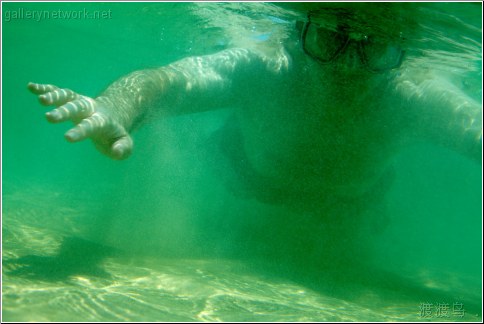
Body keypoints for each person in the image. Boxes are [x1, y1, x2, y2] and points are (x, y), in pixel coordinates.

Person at [27, 3, 481, 245]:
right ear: (299, 34)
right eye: (330, 37)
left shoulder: (413, 96)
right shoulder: (265, 68)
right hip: (247, 179)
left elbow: (474, 130)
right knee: (219, 150)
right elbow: (167, 82)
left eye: (376, 49)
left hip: (349, 204)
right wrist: (117, 106)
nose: (348, 67)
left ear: (400, 53)